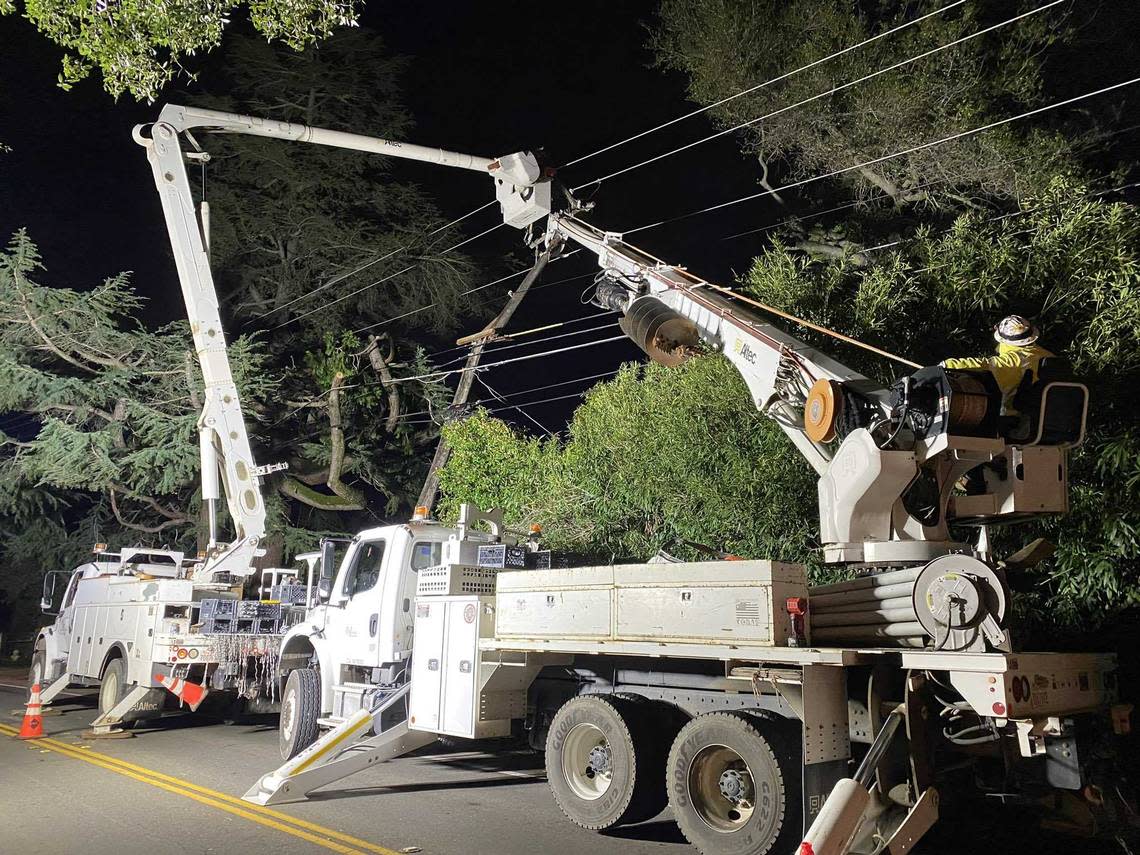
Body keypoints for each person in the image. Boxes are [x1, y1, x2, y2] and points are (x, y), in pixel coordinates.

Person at [941, 315, 1053, 415]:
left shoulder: (1014, 361)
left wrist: (946, 365)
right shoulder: (1048, 356)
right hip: (1050, 421)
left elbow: (983, 365)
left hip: (1017, 422)